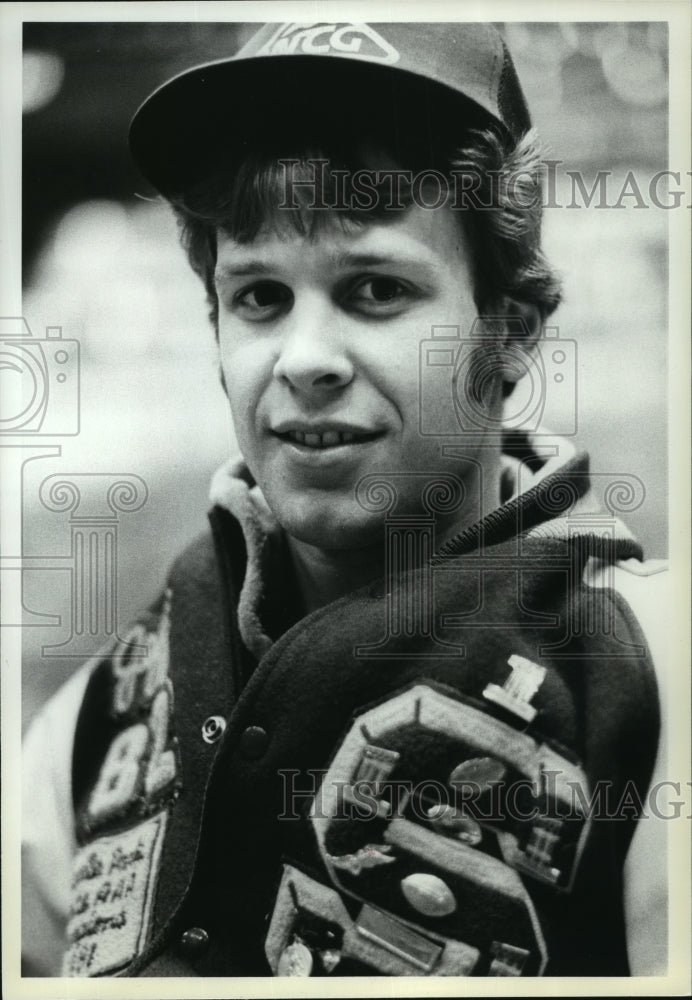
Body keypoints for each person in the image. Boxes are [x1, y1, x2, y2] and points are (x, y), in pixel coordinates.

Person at [22, 20, 669, 979]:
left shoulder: (650, 666)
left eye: (373, 288)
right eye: (259, 298)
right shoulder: (103, 712)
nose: (305, 359)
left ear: (513, 333)